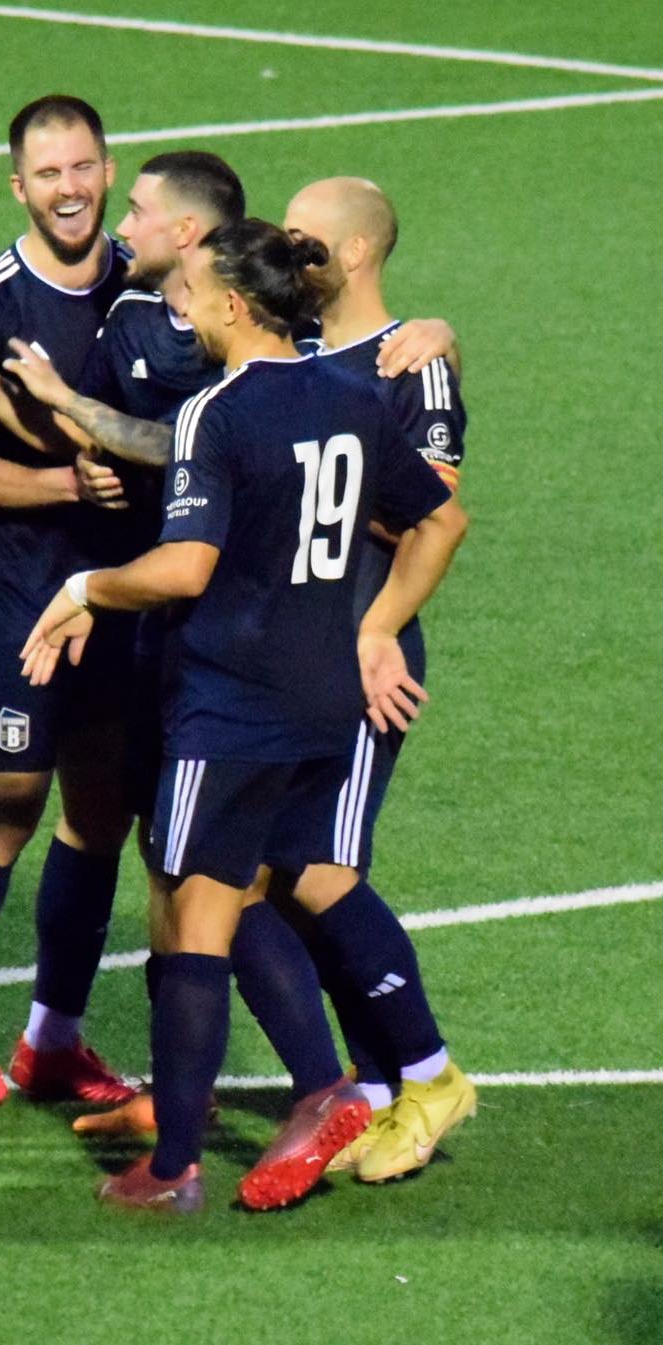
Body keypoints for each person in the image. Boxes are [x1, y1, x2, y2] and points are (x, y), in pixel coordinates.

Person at [20, 219, 468, 1212]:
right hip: (323, 698)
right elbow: (441, 516)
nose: (179, 304)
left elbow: (186, 568)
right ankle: (345, 1086)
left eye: (189, 287)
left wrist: (87, 587)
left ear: (231, 303)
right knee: (290, 881)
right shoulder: (349, 394)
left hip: (230, 702)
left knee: (192, 912)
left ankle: (178, 1162)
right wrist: (384, 619)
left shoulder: (216, 415)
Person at [0, 95, 136, 1108]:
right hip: (16, 598)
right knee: (8, 808)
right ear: (18, 184)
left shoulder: (145, 289)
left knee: (99, 814)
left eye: (84, 167)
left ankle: (53, 1038)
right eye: (47, 173)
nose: (68, 188)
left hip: (121, 597)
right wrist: (67, 485)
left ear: (107, 169)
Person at [271, 176, 474, 1181]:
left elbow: (434, 511)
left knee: (317, 862)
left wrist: (381, 623)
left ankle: (428, 1076)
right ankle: (385, 1087)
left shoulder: (412, 369)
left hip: (361, 651)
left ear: (354, 255)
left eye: (305, 239)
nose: (287, 251)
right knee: (290, 871)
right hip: (288, 659)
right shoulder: (294, 353)